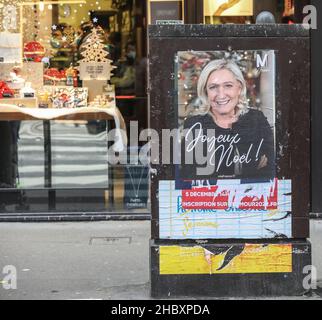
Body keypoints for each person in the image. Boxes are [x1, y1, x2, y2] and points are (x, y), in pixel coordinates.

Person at [180, 58, 275, 180]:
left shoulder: (256, 119)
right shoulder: (194, 125)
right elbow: (190, 178)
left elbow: (271, 169)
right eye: (213, 87)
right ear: (205, 91)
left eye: (228, 86)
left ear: (239, 88)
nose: (221, 94)